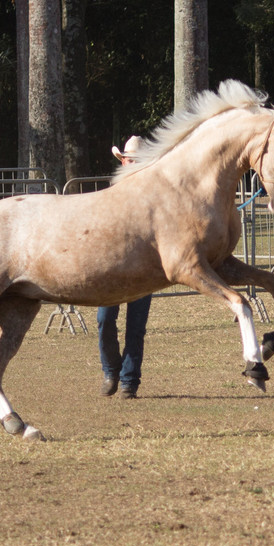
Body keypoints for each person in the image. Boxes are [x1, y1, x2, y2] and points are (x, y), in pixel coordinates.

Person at [98, 136, 152, 400]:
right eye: (127, 160)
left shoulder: (153, 194)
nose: (129, 164)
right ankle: (111, 371)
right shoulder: (113, 189)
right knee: (104, 320)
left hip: (143, 269)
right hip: (112, 267)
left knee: (136, 326)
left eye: (134, 161)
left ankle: (129, 381)